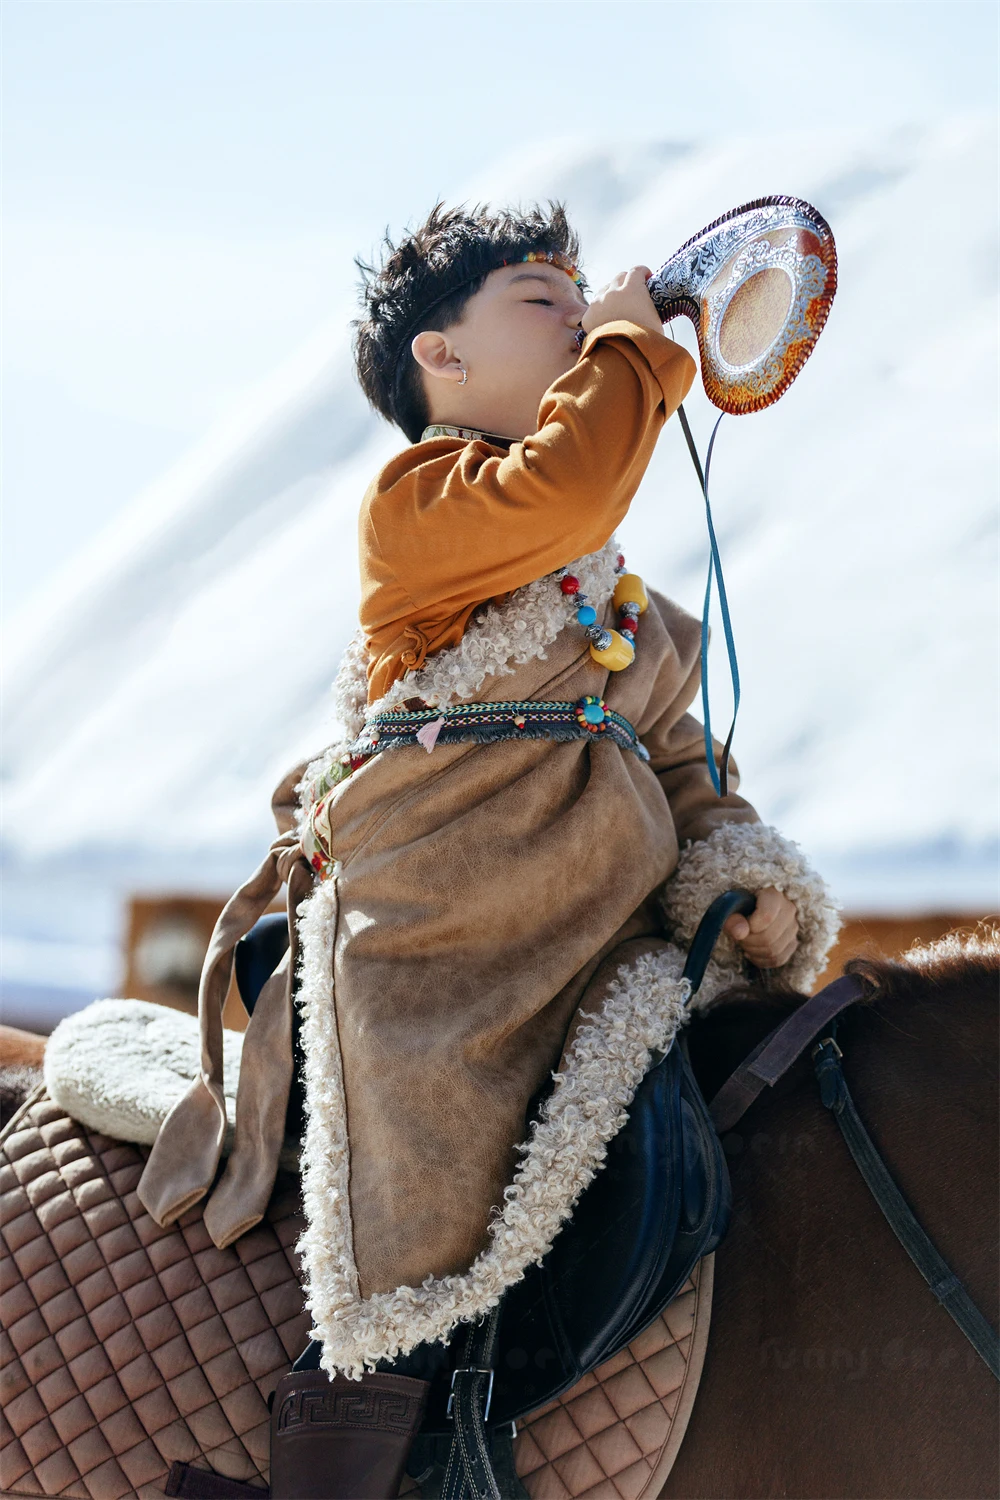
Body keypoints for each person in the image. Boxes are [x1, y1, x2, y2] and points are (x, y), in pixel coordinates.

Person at [138, 203, 840, 1498]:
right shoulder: (424, 510)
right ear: (440, 361)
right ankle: (347, 1457)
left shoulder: (626, 610)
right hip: (450, 948)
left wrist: (735, 864)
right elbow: (567, 487)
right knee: (423, 1182)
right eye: (540, 300)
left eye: (585, 300)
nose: (580, 317)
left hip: (608, 938)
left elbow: (684, 766)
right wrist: (638, 350)